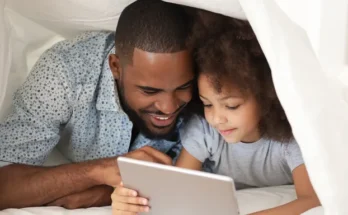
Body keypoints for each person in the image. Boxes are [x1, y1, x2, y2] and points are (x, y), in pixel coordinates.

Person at [111, 10, 321, 215]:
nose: (216, 119)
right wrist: (128, 201)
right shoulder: (205, 130)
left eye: (232, 106)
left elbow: (312, 199)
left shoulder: (290, 141)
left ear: (265, 96)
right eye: (207, 104)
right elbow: (176, 189)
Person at [0, 0, 197, 210]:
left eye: (183, 87)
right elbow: (4, 186)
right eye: (149, 91)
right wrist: (100, 170)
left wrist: (100, 194)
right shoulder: (63, 73)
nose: (168, 107)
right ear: (116, 67)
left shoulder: (206, 77)